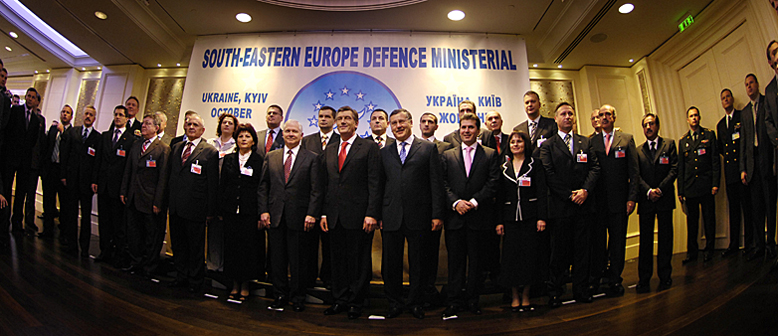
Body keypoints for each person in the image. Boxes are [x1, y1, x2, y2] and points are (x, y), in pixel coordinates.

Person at [380, 109, 443, 320]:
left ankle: (416, 302)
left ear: (410, 122)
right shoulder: (385, 152)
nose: (398, 126)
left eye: (401, 122)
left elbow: (436, 183)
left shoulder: (428, 148)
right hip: (391, 215)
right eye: (394, 123)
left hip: (420, 215)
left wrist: (437, 214)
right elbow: (381, 185)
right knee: (391, 264)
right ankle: (394, 303)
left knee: (418, 263)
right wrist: (378, 214)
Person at [319, 106, 381, 320]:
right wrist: (324, 214)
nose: (343, 121)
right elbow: (325, 185)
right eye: (340, 118)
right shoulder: (330, 148)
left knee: (359, 261)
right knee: (337, 262)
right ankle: (340, 299)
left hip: (360, 216)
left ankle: (356, 301)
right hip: (334, 216)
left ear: (356, 123)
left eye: (348, 118)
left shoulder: (369, 147)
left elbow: (375, 183)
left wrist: (372, 213)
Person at [440, 112, 500, 319]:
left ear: (478, 130)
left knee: (477, 263)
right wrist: (456, 202)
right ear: (459, 130)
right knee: (455, 263)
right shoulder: (448, 155)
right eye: (463, 127)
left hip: (479, 217)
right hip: (455, 219)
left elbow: (493, 183)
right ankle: (454, 301)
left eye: (471, 127)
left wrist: (474, 202)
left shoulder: (490, 154)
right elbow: (443, 184)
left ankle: (473, 300)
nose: (466, 131)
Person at [539, 102, 599, 307]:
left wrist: (585, 191)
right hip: (560, 207)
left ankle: (581, 290)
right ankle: (555, 291)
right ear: (555, 119)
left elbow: (595, 169)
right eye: (563, 114)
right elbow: (548, 173)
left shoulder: (585, 142)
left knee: (583, 251)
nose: (567, 117)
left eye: (570, 114)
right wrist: (569, 195)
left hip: (584, 206)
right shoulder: (547, 145)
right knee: (559, 252)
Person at [259, 120, 322, 312]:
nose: (291, 134)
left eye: (295, 131)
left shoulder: (312, 158)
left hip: (300, 218)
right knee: (277, 260)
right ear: (283, 134)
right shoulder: (271, 156)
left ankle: (298, 297)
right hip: (275, 216)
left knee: (298, 261)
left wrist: (312, 214)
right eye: (287, 131)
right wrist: (263, 210)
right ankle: (279, 295)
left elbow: (316, 190)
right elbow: (263, 187)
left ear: (301, 135)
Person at [167, 113, 219, 293]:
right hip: (175, 207)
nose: (191, 127)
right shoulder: (177, 147)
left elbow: (213, 185)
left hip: (196, 209)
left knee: (195, 248)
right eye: (188, 124)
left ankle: (195, 281)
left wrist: (210, 211)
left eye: (195, 125)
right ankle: (181, 276)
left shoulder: (210, 151)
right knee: (178, 246)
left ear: (203, 130)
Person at [495, 130, 547, 312]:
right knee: (511, 259)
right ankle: (514, 296)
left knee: (529, 257)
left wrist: (541, 217)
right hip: (510, 220)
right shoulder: (503, 167)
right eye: (512, 142)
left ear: (525, 144)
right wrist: (499, 221)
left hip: (530, 218)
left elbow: (541, 192)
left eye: (519, 141)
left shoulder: (535, 164)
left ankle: (526, 296)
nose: (515, 144)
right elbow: (499, 196)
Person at [590, 104, 639, 297]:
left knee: (618, 243)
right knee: (598, 243)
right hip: (598, 203)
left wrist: (632, 198)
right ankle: (597, 279)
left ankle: (615, 280)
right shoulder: (591, 142)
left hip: (620, 202)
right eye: (601, 115)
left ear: (614, 117)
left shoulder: (626, 139)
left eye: (608, 114)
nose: (604, 118)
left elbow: (634, 172)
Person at [120, 113, 170, 278]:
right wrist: (124, 191)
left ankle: (149, 268)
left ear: (156, 128)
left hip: (150, 200)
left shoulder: (163, 149)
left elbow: (163, 178)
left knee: (151, 237)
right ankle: (136, 263)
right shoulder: (136, 145)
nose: (143, 126)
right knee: (134, 235)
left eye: (148, 124)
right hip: (133, 197)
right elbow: (128, 170)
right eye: (143, 123)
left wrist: (158, 202)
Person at [219, 123, 265, 302]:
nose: (243, 139)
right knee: (231, 248)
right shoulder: (229, 159)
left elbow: (261, 187)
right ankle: (234, 284)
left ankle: (245, 284)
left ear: (253, 141)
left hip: (250, 213)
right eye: (240, 137)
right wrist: (221, 208)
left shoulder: (259, 160)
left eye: (247, 136)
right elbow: (223, 185)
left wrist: (261, 212)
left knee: (247, 250)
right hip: (231, 211)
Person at [635, 113, 677, 293]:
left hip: (665, 199)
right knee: (645, 242)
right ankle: (644, 279)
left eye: (651, 124)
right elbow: (636, 175)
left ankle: (665, 276)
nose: (648, 128)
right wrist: (648, 191)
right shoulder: (637, 150)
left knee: (665, 239)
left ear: (657, 126)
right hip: (646, 201)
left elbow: (674, 168)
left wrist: (660, 189)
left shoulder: (669, 144)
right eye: (645, 125)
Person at [300, 105, 339, 288]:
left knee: (331, 246)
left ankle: (329, 280)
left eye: (327, 117)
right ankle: (308, 280)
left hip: (332, 201)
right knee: (308, 245)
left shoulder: (342, 140)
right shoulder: (307, 141)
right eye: (320, 116)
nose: (323, 119)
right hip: (309, 201)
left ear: (334, 120)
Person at [94, 105, 138, 264]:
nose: (118, 117)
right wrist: (95, 180)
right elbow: (98, 160)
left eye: (121, 115)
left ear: (127, 118)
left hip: (119, 189)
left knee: (119, 225)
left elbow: (130, 168)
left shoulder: (132, 140)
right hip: (103, 186)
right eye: (116, 114)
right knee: (104, 223)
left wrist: (126, 189)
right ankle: (104, 252)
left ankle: (119, 256)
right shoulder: (105, 136)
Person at [418, 111, 453, 307]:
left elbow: (444, 180)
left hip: (436, 207)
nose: (426, 124)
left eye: (430, 122)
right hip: (416, 208)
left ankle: (430, 290)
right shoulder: (413, 146)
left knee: (432, 252)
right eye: (423, 121)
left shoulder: (446, 148)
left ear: (436, 126)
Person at [1, 87, 45, 236]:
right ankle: (3, 221)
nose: (31, 99)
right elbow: (8, 132)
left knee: (21, 193)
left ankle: (17, 223)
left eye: (34, 97)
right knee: (7, 190)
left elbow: (32, 142)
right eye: (29, 96)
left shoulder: (36, 120)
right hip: (11, 158)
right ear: (26, 97)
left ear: (36, 101)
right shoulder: (15, 111)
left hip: (25, 162)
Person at [678, 106, 719, 264]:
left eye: (696, 115)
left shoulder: (708, 135)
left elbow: (715, 161)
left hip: (706, 185)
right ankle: (692, 253)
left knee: (709, 219)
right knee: (692, 222)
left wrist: (715, 183)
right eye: (691, 116)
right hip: (690, 188)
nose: (694, 118)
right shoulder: (683, 141)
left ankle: (709, 250)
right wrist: (680, 190)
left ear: (699, 118)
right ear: (687, 120)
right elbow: (681, 168)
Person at [741, 74, 776, 260]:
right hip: (752, 164)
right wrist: (743, 169)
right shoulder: (745, 112)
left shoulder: (766, 102)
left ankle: (771, 245)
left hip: (766, 159)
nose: (749, 87)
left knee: (770, 205)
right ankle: (759, 246)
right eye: (746, 85)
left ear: (757, 84)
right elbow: (743, 144)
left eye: (751, 83)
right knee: (757, 208)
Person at [60, 106, 101, 257]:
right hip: (71, 181)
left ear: (94, 118)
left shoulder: (98, 138)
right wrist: (63, 175)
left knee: (85, 217)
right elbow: (65, 155)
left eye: (91, 115)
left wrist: (94, 181)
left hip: (87, 185)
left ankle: (84, 247)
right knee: (71, 215)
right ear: (82, 116)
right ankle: (71, 245)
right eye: (86, 114)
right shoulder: (73, 132)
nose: (88, 116)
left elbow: (97, 163)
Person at [716, 89, 751, 261]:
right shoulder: (721, 125)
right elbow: (722, 149)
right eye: (723, 98)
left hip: (742, 169)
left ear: (732, 99)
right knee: (734, 210)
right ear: (721, 102)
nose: (726, 100)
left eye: (728, 97)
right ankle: (734, 244)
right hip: (729, 173)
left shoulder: (741, 116)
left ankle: (751, 243)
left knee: (747, 207)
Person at [206, 113, 239, 275]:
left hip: (226, 194)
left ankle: (226, 267)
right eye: (224, 122)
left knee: (226, 232)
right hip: (210, 191)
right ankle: (212, 265)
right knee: (212, 232)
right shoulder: (210, 143)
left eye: (230, 123)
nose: (226, 125)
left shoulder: (237, 145)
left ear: (235, 127)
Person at [40, 105, 73, 238]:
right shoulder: (53, 129)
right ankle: (47, 230)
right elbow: (46, 148)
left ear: (71, 117)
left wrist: (63, 132)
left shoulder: (72, 132)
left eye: (67, 113)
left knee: (64, 203)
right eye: (63, 112)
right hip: (50, 169)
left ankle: (63, 233)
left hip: (62, 171)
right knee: (48, 201)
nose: (65, 114)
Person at [513, 91, 557, 155]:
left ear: (539, 104)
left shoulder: (551, 124)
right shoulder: (518, 129)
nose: (530, 105)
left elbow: (556, 148)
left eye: (533, 101)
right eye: (527, 103)